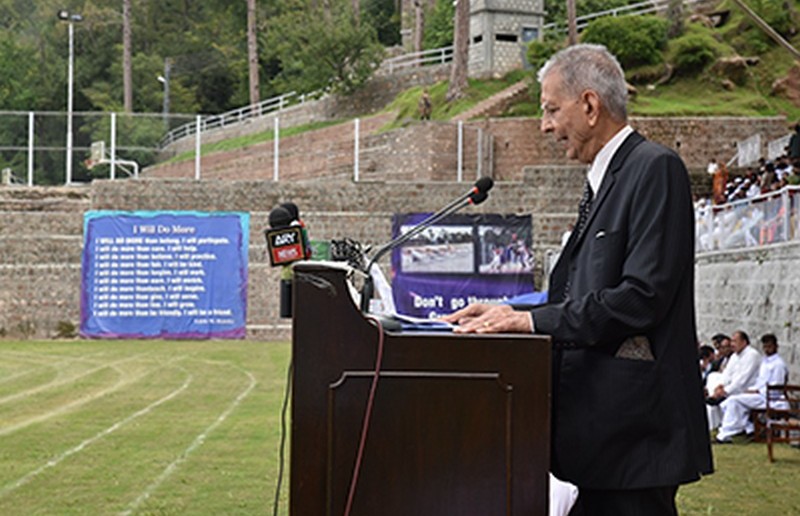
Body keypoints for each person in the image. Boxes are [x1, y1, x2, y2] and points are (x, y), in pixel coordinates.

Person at [442, 44, 712, 515]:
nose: (544, 126)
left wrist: (530, 323)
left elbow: (641, 297)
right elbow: (578, 295)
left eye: (550, 110)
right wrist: (511, 313)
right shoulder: (605, 180)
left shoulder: (653, 168)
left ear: (589, 105)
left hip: (634, 440)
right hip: (603, 440)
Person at [715, 333, 788, 443]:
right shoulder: (765, 361)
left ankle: (726, 434)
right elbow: (760, 381)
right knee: (728, 402)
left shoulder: (778, 364)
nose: (767, 349)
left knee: (734, 401)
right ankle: (748, 428)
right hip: (760, 395)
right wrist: (752, 389)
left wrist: (758, 391)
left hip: (771, 399)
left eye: (770, 346)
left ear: (776, 346)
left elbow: (776, 387)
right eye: (765, 347)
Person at [705, 330, 761, 431]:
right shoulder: (735, 356)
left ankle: (729, 429)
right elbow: (727, 373)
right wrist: (720, 386)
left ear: (744, 342)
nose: (732, 344)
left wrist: (725, 391)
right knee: (713, 376)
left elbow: (743, 379)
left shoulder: (752, 355)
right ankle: (715, 422)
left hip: (747, 388)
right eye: (732, 341)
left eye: (735, 341)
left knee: (729, 401)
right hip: (731, 388)